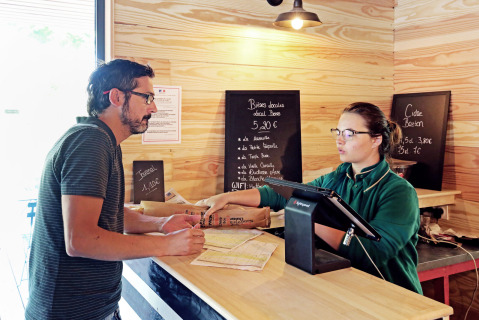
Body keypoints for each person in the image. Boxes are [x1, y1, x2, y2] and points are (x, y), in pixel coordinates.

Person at [25, 59, 205, 320]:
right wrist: (166, 245)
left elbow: (106, 213)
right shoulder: (91, 142)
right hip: (71, 313)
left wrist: (162, 223)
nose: (153, 108)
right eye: (147, 98)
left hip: (94, 308)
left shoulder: (102, 140)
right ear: (117, 97)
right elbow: (80, 240)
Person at [197, 102, 422, 294]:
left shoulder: (399, 192)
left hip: (391, 294)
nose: (339, 140)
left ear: (376, 140)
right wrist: (227, 197)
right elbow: (282, 194)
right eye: (338, 132)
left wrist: (307, 218)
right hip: (346, 288)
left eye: (349, 134)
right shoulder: (337, 177)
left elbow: (374, 253)